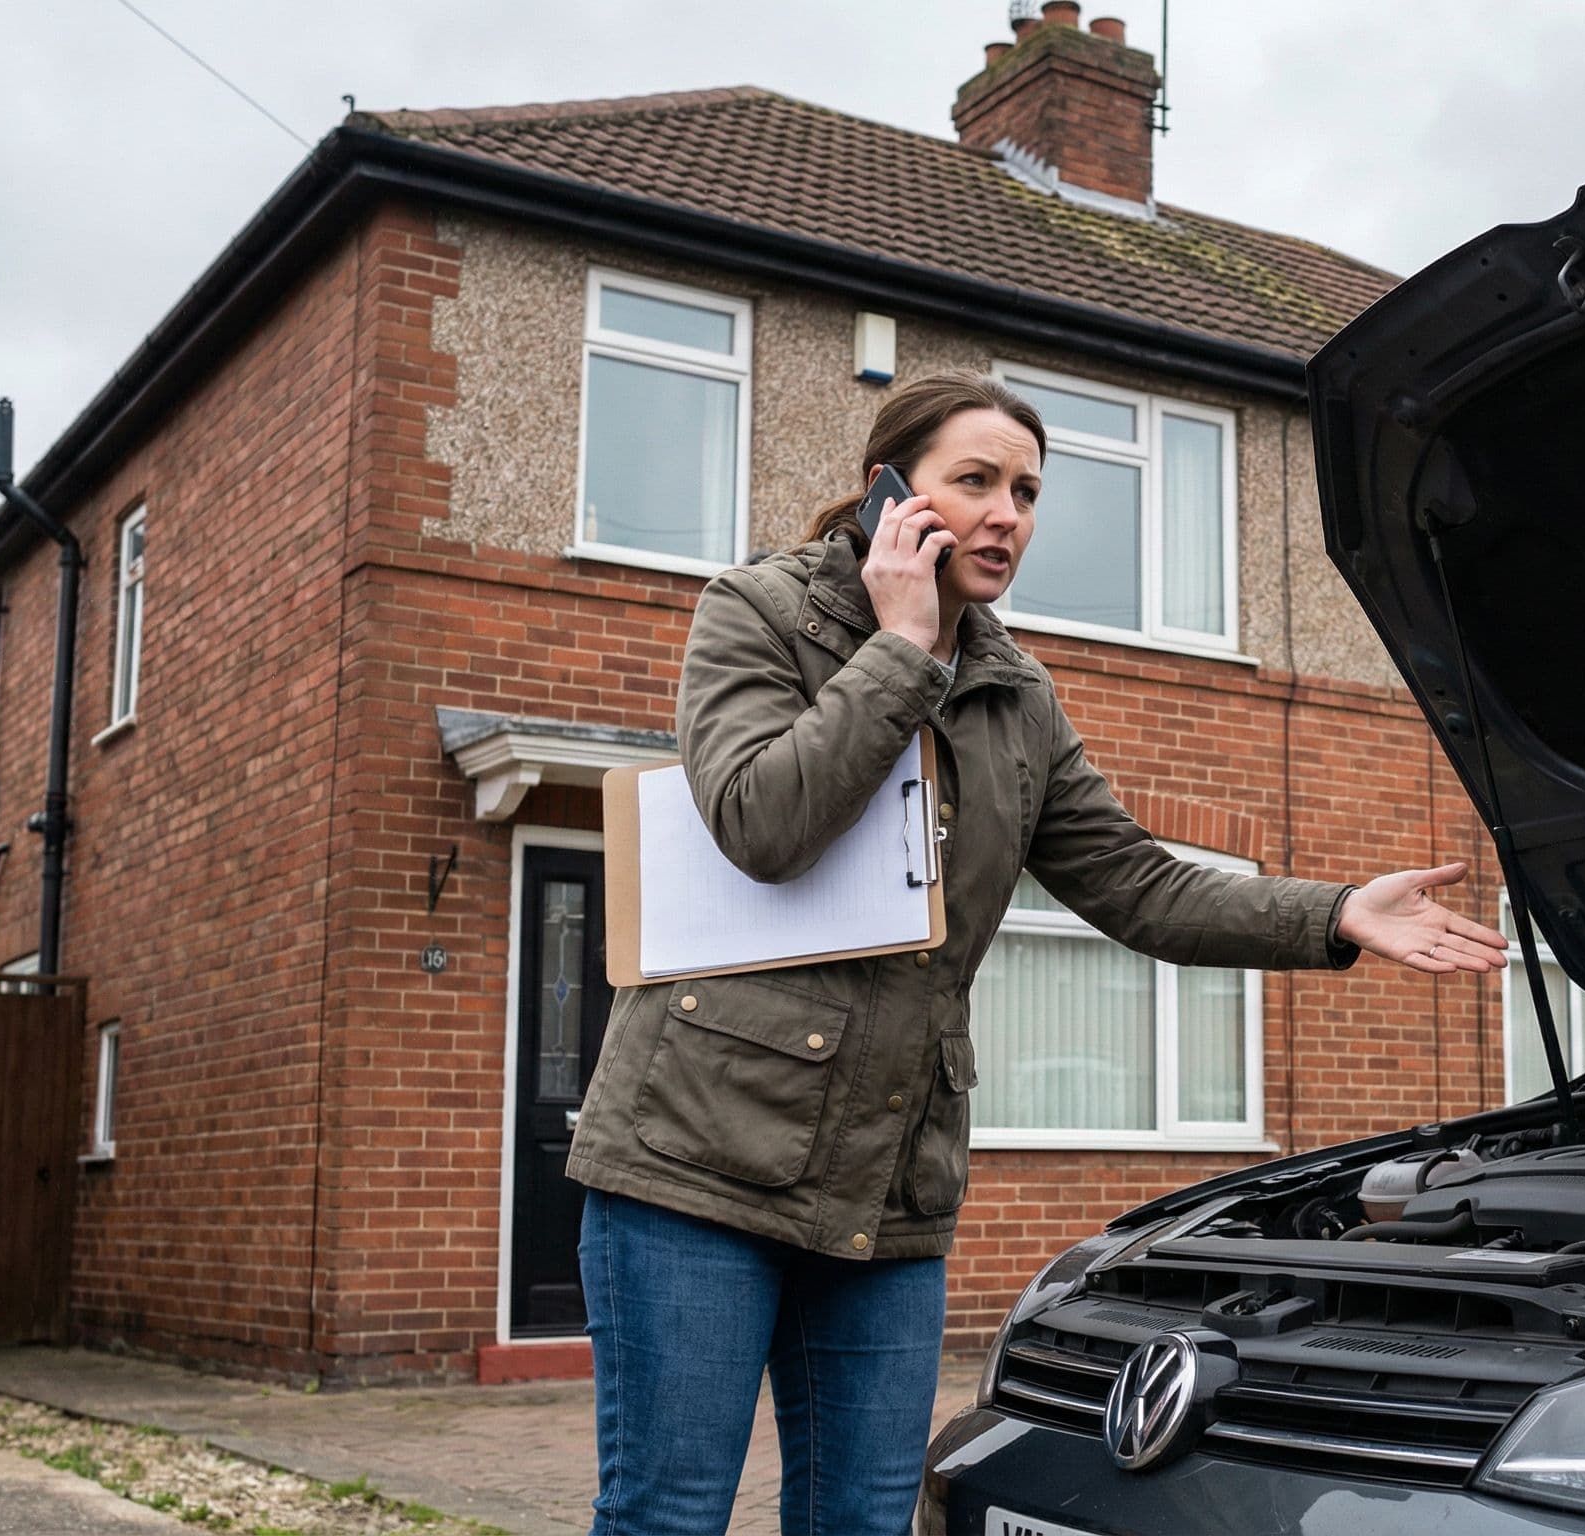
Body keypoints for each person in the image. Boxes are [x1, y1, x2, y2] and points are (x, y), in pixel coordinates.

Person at [563, 370, 1506, 1535]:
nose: (1007, 513)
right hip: (696, 1160)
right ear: (890, 495)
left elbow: (1135, 884)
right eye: (975, 482)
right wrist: (902, 643)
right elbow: (764, 822)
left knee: (860, 1519)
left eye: (1026, 491)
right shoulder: (759, 613)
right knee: (670, 1515)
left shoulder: (1017, 696)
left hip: (888, 1185)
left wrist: (1335, 910)